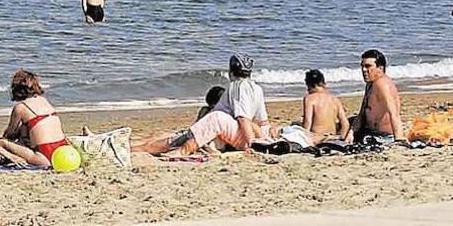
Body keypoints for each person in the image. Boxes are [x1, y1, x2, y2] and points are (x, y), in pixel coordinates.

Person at [136, 54, 268, 156]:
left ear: (231, 71)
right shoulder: (257, 89)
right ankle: (131, 146)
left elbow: (243, 119)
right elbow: (262, 122)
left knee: (168, 142)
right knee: (164, 137)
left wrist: (252, 144)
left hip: (239, 137)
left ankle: (133, 149)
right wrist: (263, 138)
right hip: (239, 136)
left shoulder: (237, 86)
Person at [0, 70, 71, 168]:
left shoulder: (21, 107)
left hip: (45, 155)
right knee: (27, 128)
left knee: (1, 142)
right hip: (63, 150)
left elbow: (9, 134)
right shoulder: (43, 100)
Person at [347, 49, 405, 144]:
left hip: (382, 136)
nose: (364, 70)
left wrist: (399, 139)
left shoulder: (382, 84)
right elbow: (362, 113)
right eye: (362, 66)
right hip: (369, 130)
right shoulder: (370, 84)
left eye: (368, 66)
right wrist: (351, 132)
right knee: (344, 124)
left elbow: (393, 113)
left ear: (380, 68)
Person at [299, 69, 350, 144]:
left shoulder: (309, 98)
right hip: (332, 136)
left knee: (293, 127)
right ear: (323, 83)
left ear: (309, 85)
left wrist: (304, 138)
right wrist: (341, 137)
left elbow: (308, 122)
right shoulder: (335, 99)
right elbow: (345, 124)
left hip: (317, 137)